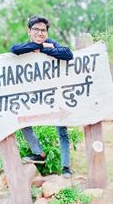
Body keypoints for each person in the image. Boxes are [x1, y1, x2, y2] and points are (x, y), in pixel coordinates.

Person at [10, 15, 73, 178]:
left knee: (62, 129)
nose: (40, 33)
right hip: (35, 95)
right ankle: (38, 153)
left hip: (54, 93)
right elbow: (14, 49)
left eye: (43, 30)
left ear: (47, 32)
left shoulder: (51, 44)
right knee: (22, 121)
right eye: (36, 30)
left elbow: (67, 53)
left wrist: (44, 49)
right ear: (29, 31)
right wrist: (33, 48)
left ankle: (66, 167)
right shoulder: (26, 46)